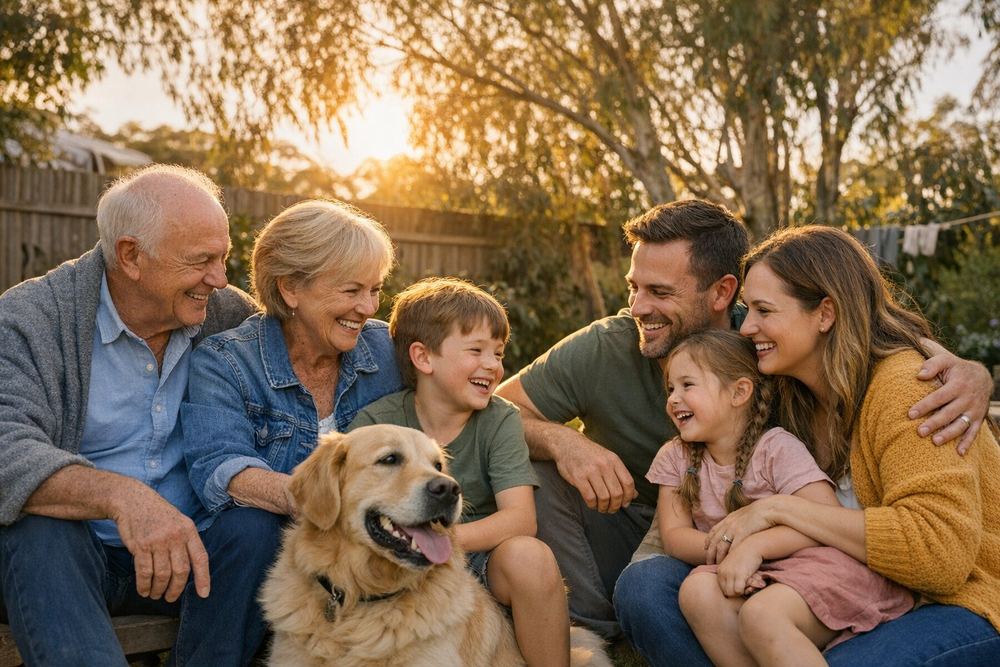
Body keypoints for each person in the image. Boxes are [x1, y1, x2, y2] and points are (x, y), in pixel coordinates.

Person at [497, 199, 992, 638]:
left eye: (660, 292)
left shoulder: (767, 354)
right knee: (645, 586)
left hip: (819, 557)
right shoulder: (614, 345)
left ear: (721, 293)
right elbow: (500, 409)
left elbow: (873, 346)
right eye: (634, 287)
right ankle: (591, 627)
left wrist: (967, 373)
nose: (638, 307)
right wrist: (567, 443)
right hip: (681, 531)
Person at [618, 225, 1000, 665]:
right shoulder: (785, 388)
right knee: (653, 589)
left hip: (956, 599)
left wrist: (776, 510)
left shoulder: (907, 389)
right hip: (821, 577)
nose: (749, 327)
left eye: (764, 310)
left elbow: (938, 556)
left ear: (825, 313)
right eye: (747, 309)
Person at [0, 164, 280, 666]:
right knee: (39, 526)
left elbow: (305, 355)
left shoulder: (228, 317)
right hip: (72, 564)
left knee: (255, 529)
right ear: (131, 255)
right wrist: (123, 498)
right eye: (201, 261)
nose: (219, 279)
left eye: (223, 258)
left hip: (191, 559)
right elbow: (7, 446)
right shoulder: (31, 319)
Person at [653, 329, 912, 667]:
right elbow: (674, 537)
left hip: (812, 565)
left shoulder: (775, 448)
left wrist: (754, 549)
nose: (674, 398)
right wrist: (736, 557)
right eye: (671, 388)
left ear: (739, 392)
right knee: (696, 592)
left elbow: (822, 516)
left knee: (762, 614)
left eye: (688, 385)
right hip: (739, 567)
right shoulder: (675, 456)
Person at [349, 277, 572, 667]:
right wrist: (409, 544)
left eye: (498, 353)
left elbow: (520, 519)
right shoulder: (377, 424)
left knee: (530, 558)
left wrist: (441, 545)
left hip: (477, 560)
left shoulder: (500, 419)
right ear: (423, 358)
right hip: (392, 556)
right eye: (476, 350)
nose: (493, 365)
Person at [181, 198, 403, 518]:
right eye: (352, 291)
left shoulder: (387, 349)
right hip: (274, 541)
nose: (369, 308)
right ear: (290, 288)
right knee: (247, 525)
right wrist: (324, 506)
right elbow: (223, 469)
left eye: (374, 290)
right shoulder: (226, 362)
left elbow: (457, 393)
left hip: (370, 547)